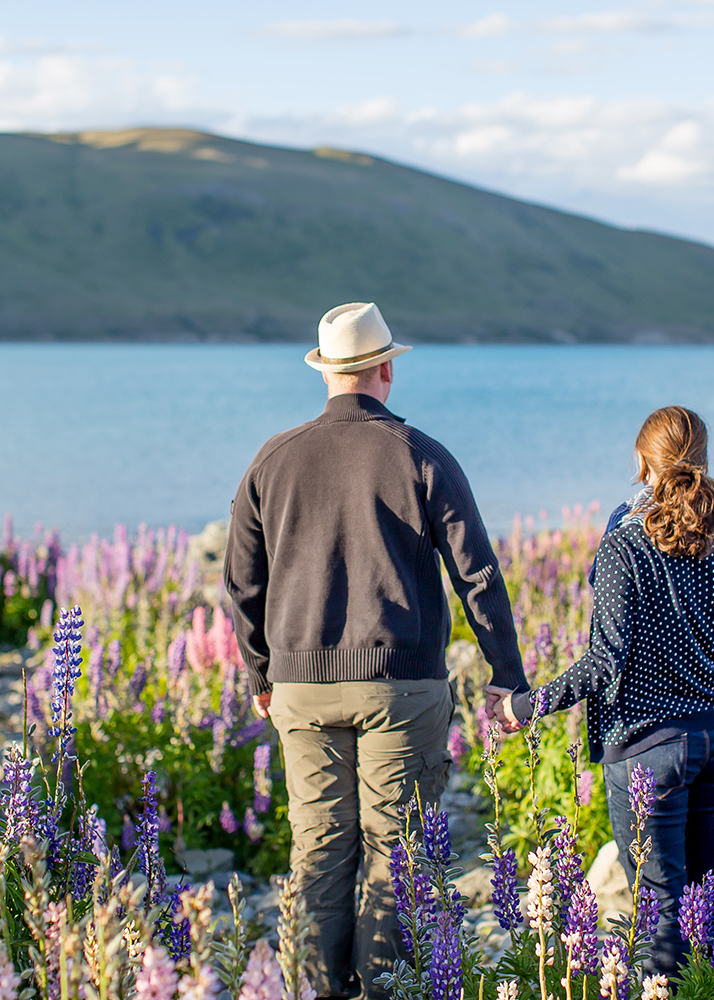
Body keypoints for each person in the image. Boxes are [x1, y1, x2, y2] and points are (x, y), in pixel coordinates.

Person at [225, 301, 529, 999]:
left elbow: (241, 581)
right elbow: (477, 574)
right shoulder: (419, 453)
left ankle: (312, 987)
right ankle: (387, 988)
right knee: (399, 856)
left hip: (300, 688)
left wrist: (261, 674)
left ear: (327, 373)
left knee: (319, 851)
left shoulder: (273, 458)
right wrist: (505, 674)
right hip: (400, 685)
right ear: (386, 368)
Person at [489, 405, 714, 979]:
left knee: (660, 905)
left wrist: (525, 706)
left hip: (650, 746)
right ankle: (713, 991)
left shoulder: (624, 548)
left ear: (641, 465)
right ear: (702, 461)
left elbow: (604, 664)